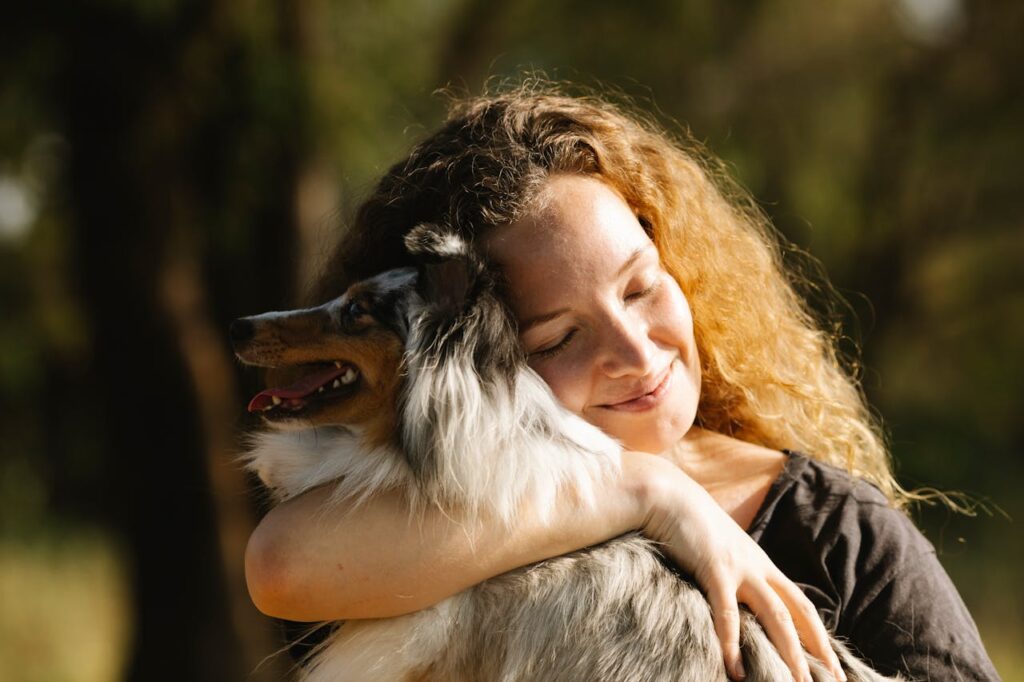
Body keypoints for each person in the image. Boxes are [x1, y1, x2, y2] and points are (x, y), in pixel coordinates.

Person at [244, 84, 999, 681]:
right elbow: (284, 565)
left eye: (640, 289)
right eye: (561, 337)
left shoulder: (840, 534)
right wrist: (646, 492)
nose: (635, 352)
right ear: (470, 371)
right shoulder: (399, 537)